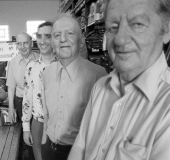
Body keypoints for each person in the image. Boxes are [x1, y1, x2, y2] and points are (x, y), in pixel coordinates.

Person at [68, 0, 170, 159]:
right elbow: (81, 145)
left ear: (166, 30)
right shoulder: (101, 87)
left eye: (137, 24)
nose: (120, 40)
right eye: (113, 27)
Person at [41, 14, 107, 160]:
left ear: (81, 40)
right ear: (52, 42)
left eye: (70, 33)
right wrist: (44, 140)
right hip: (49, 149)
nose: (63, 39)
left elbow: (103, 126)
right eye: (57, 35)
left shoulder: (98, 76)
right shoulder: (47, 73)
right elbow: (46, 112)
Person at [22, 22, 58, 160]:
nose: (42, 41)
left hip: (58, 123)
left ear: (55, 38)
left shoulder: (63, 65)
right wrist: (26, 127)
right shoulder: (31, 67)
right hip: (37, 122)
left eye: (48, 36)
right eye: (39, 36)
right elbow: (27, 98)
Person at [6, 32, 38, 160]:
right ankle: (29, 154)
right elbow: (11, 87)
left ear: (31, 43)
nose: (22, 46)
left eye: (25, 43)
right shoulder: (13, 63)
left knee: (36, 132)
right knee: (25, 131)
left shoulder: (39, 59)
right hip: (20, 101)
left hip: (37, 102)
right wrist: (10, 109)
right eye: (19, 43)